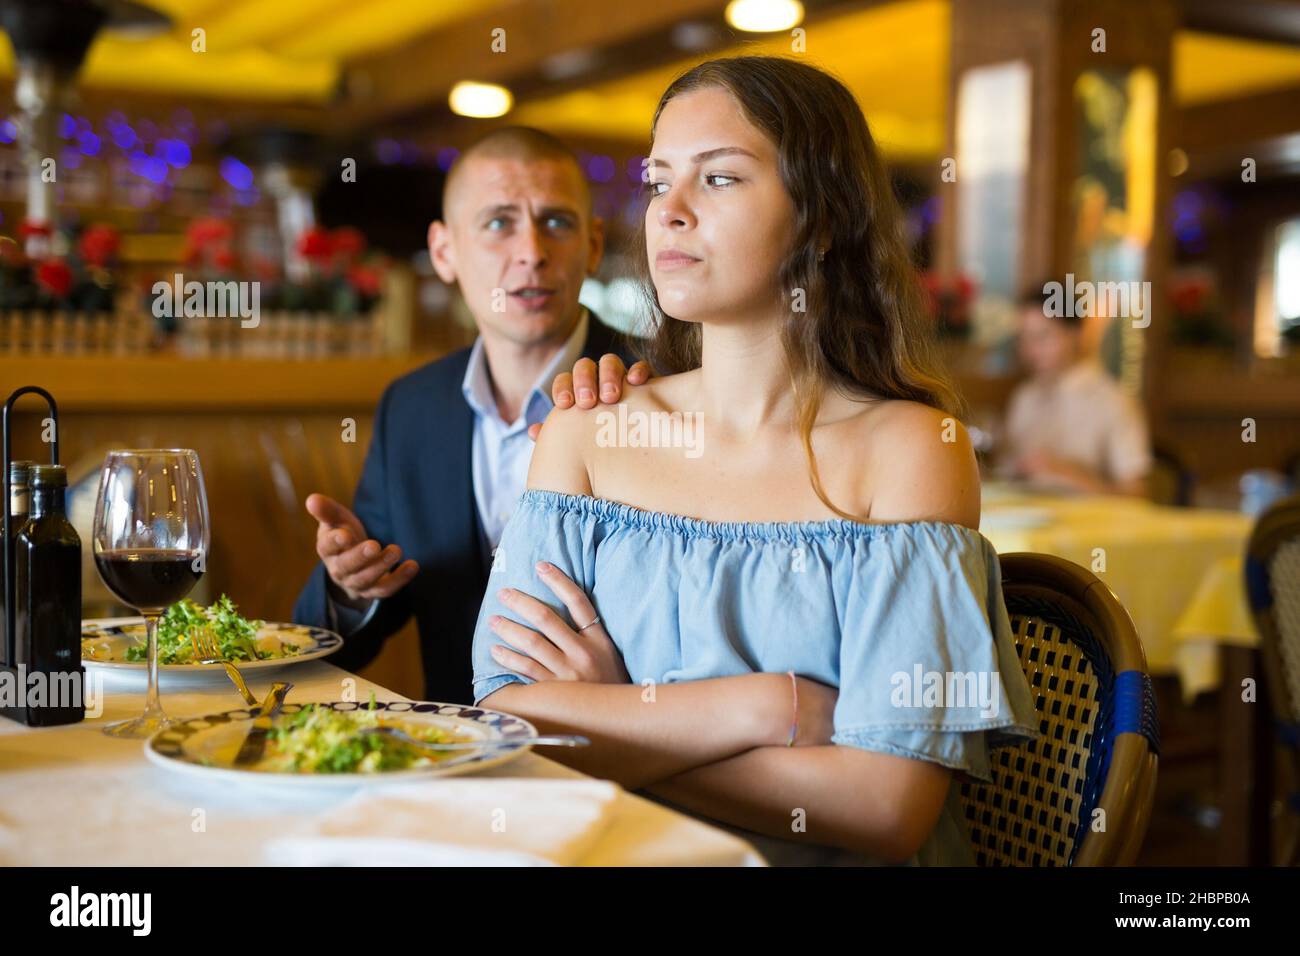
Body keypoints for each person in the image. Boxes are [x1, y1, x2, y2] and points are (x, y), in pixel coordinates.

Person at [469, 56, 1039, 865]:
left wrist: (619, 723)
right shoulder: (587, 433)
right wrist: (766, 705)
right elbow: (507, 717)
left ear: (824, 216)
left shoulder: (911, 452)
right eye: (658, 180)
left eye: (721, 179)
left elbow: (884, 807)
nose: (669, 211)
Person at [292, 127, 648, 704]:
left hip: (622, 752)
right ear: (444, 252)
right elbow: (337, 647)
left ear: (593, 245)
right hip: (455, 756)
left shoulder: (656, 387)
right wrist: (350, 588)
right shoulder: (412, 407)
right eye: (499, 223)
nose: (531, 251)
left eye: (556, 222)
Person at [997, 285, 1152, 496]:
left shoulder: (1112, 400)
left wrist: (1070, 474)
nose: (1030, 351)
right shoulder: (1024, 397)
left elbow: (1137, 496)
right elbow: (1006, 475)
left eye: (1043, 337)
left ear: (1075, 334)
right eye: (1024, 339)